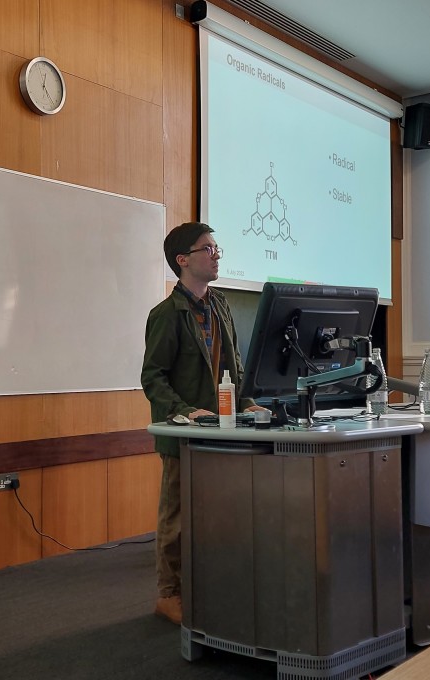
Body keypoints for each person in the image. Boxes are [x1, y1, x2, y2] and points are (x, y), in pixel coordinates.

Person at [141, 221, 267, 625]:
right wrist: (183, 410)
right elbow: (153, 377)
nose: (216, 255)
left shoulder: (221, 305)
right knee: (176, 518)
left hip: (225, 429)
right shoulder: (166, 314)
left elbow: (235, 365)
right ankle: (169, 594)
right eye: (207, 249)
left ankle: (211, 586)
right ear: (183, 260)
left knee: (223, 514)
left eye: (217, 249)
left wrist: (247, 403)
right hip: (184, 432)